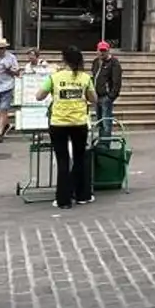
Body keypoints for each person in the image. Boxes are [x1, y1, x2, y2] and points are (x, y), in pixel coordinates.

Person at [38, 45, 95, 208]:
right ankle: (82, 195)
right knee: (79, 159)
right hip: (79, 122)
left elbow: (39, 96)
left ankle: (63, 200)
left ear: (64, 59)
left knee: (62, 160)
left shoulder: (54, 77)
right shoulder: (85, 78)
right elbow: (93, 99)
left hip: (59, 123)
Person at [91, 41, 123, 142]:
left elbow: (117, 81)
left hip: (106, 97)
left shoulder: (114, 63)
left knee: (106, 122)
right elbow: (94, 76)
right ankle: (101, 141)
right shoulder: (96, 62)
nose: (102, 53)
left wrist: (111, 96)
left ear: (108, 51)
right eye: (100, 50)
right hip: (97, 96)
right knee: (99, 121)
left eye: (104, 51)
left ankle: (106, 143)